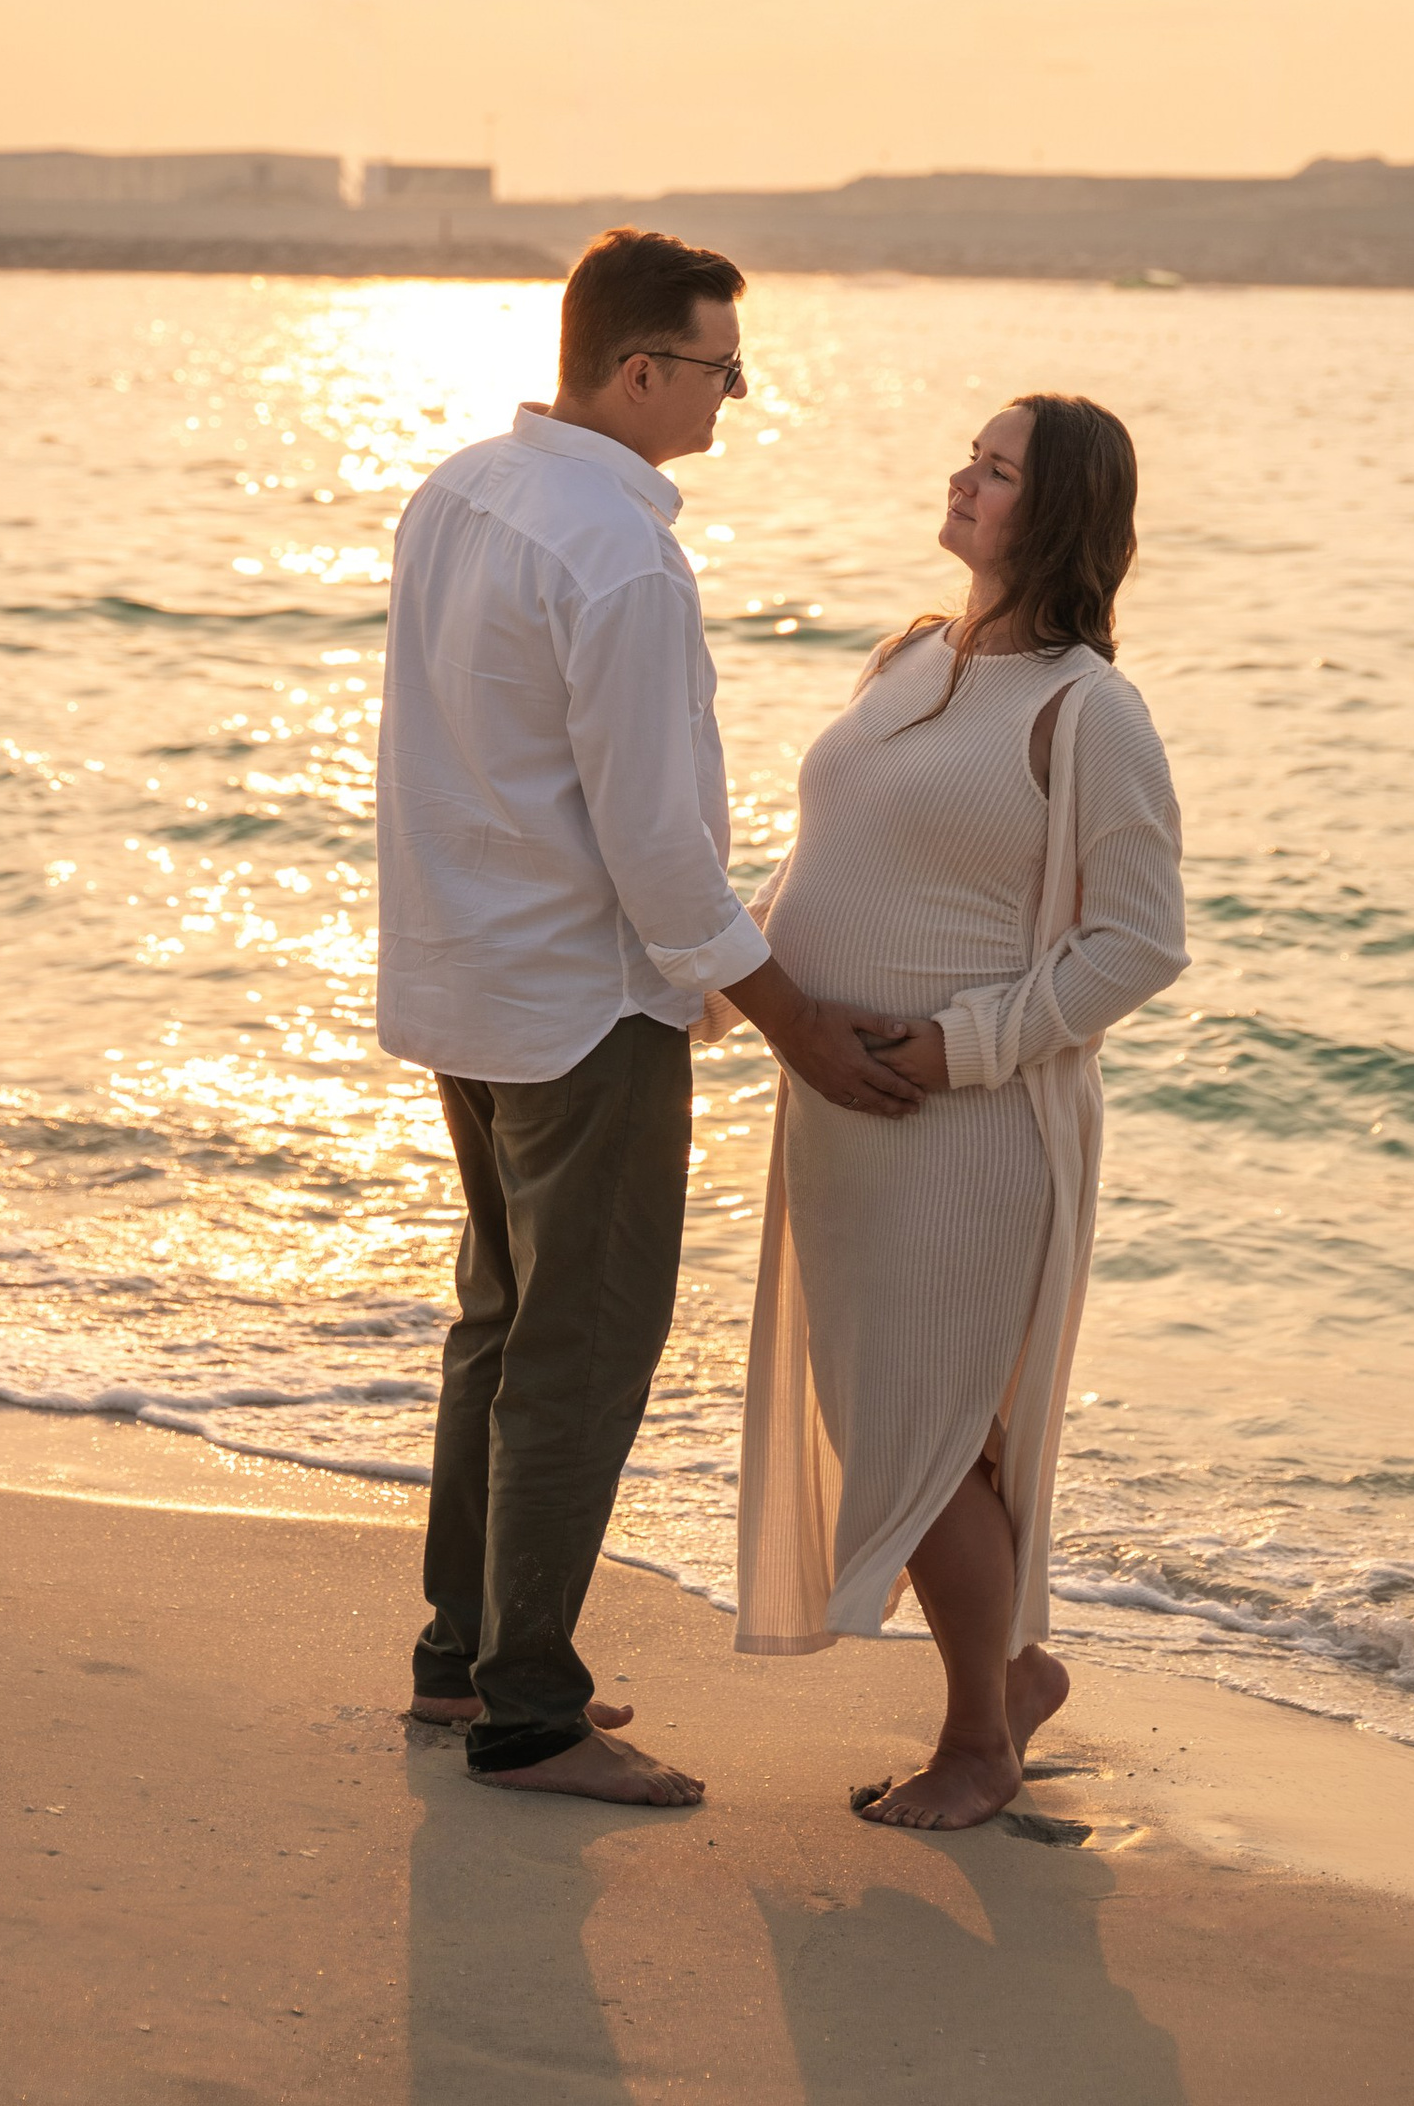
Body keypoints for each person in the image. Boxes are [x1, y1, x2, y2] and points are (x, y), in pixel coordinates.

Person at [375, 226, 922, 1809]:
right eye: (719, 365)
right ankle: (528, 1711)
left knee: (500, 1325)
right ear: (639, 369)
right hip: (579, 1001)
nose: (733, 394)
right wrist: (793, 1019)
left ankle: (459, 1656)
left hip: (466, 982)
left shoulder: (460, 488)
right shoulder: (618, 555)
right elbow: (659, 848)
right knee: (581, 1347)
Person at [732, 392, 1187, 1827]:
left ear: (1051, 514)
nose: (963, 480)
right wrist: (721, 984)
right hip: (840, 1112)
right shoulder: (914, 653)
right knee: (901, 1425)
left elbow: (1140, 941)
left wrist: (957, 1047)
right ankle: (1018, 1674)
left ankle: (981, 1744)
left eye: (996, 473)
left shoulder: (1087, 709)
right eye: (973, 459)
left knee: (926, 1435)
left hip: (968, 1129)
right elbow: (831, 859)